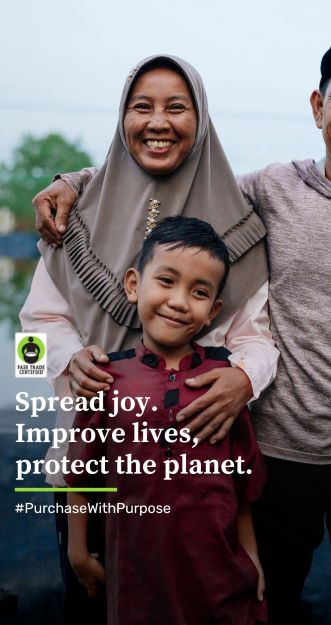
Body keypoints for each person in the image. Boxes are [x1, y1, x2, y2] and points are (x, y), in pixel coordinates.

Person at [33, 27, 331, 625]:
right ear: (318, 106)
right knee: (263, 601)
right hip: (273, 453)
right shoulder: (268, 189)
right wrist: (77, 179)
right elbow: (168, 168)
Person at [22, 54, 278, 624]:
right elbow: (30, 336)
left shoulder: (238, 226)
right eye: (142, 107)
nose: (157, 121)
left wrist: (243, 377)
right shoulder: (73, 217)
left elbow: (258, 338)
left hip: (198, 492)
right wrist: (70, 359)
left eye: (176, 107)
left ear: (201, 119)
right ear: (122, 118)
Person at [66, 216, 267, 625]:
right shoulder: (106, 377)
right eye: (166, 281)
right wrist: (77, 550)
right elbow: (80, 475)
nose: (179, 301)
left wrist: (252, 558)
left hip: (219, 578)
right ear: (134, 285)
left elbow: (242, 488)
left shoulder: (223, 381)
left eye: (198, 292)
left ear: (213, 311)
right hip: (136, 578)